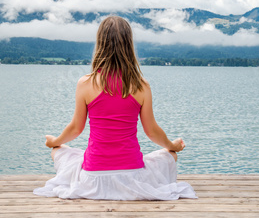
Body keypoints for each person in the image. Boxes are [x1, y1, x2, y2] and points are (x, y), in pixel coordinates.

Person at [33, 16, 197, 200]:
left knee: (59, 151)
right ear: (129, 46)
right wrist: (172, 146)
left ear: (100, 44)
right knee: (170, 156)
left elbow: (75, 129)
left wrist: (55, 142)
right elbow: (151, 131)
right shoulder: (141, 85)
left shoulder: (85, 83)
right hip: (132, 175)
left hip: (93, 176)